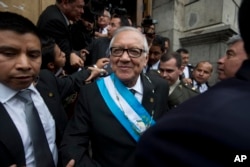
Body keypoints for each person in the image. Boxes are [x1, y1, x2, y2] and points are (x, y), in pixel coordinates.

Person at [135, 0, 250, 166]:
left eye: (230, 54)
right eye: (162, 70)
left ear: (181, 70)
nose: (221, 60)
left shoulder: (198, 105)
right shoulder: (144, 84)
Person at [0, 11, 101, 167]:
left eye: (33, 55)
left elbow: (72, 81)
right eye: (9, 53)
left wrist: (92, 69)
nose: (25, 65)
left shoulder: (45, 80)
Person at [60, 26, 169, 167]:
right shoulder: (91, 93)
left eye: (134, 51)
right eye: (117, 51)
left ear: (145, 58)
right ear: (110, 57)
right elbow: (72, 144)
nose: (124, 58)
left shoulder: (160, 86)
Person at [37, 0, 85, 74]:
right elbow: (65, 57)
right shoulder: (55, 20)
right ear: (65, 3)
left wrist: (77, 53)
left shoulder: (55, 12)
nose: (82, 11)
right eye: (79, 7)